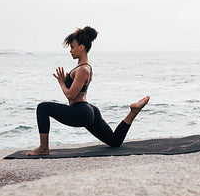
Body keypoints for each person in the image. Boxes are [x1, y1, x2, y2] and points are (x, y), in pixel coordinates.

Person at [26, 26, 150, 156]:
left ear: (81, 47)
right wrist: (67, 80)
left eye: (72, 47)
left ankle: (44, 148)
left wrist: (62, 82)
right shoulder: (84, 68)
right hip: (89, 110)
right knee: (114, 141)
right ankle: (133, 112)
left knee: (42, 108)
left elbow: (71, 95)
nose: (70, 51)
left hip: (80, 111)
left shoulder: (82, 70)